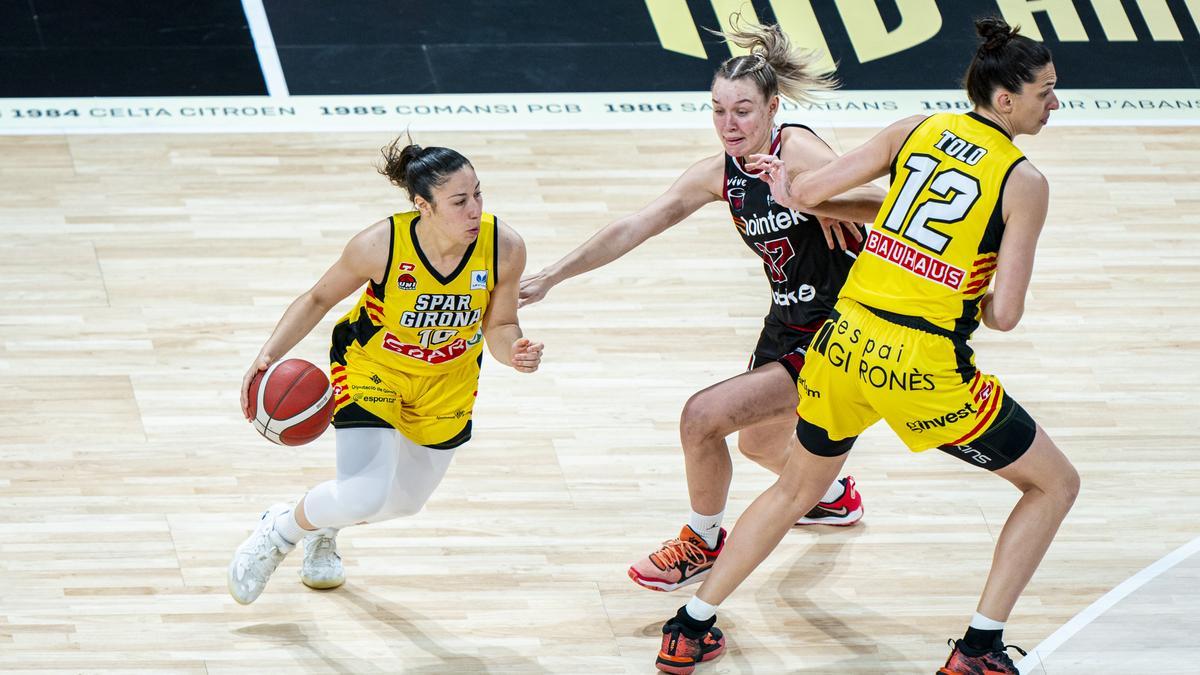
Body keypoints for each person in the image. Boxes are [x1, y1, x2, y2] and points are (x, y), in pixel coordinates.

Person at [650, 17, 1080, 675]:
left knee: (797, 484)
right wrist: (972, 260)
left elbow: (809, 193)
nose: (1054, 102)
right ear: (1004, 100)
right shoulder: (1025, 182)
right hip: (922, 367)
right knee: (1054, 483)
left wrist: (882, 228)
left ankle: (691, 624)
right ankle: (979, 648)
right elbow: (1005, 314)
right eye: (1045, 91)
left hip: (841, 343)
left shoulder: (918, 127)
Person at [520, 17, 884, 595]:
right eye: (718, 110)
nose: (728, 123)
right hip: (785, 321)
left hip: (839, 331)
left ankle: (702, 540)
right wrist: (551, 276)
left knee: (702, 419)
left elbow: (886, 198)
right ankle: (834, 498)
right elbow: (638, 224)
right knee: (759, 442)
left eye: (742, 110)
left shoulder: (799, 147)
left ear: (771, 109)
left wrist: (824, 200)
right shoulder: (722, 173)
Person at [227, 137, 543, 604]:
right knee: (363, 492)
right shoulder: (380, 245)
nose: (474, 209)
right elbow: (318, 298)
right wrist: (268, 353)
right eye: (459, 201)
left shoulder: (504, 246)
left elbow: (500, 324)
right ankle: (279, 531)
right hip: (372, 367)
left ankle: (323, 526)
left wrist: (512, 350)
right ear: (424, 205)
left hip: (449, 380)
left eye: (478, 194)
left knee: (405, 502)